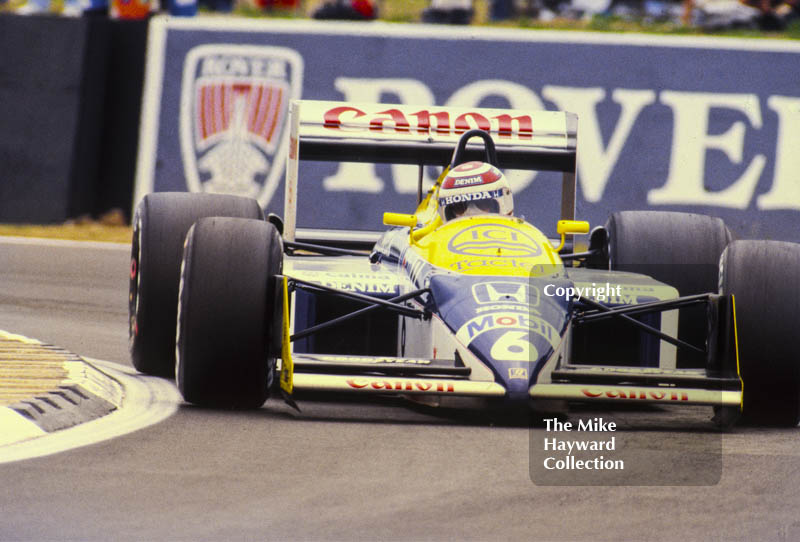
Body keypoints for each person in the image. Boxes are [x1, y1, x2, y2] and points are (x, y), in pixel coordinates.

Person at [437, 161, 514, 222]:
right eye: (460, 207)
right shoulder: (434, 240)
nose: (471, 214)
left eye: (483, 204)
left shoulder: (522, 237)